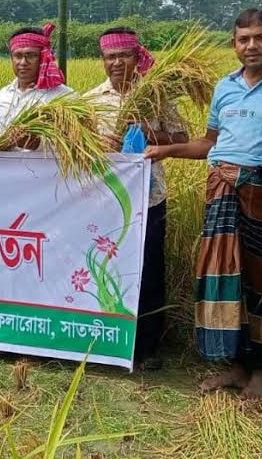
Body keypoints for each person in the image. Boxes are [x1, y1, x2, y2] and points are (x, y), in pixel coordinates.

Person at [145, 10, 262, 396]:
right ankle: (235, 367)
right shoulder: (225, 88)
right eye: (244, 39)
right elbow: (210, 143)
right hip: (222, 192)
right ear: (234, 44)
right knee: (225, 279)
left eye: (259, 38)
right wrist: (167, 149)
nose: (252, 46)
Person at [86, 27, 188, 368]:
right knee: (105, 268)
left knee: (148, 270)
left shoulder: (155, 96)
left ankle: (146, 348)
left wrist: (147, 131)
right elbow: (80, 146)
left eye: (123, 56)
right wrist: (99, 146)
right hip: (105, 201)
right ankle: (105, 339)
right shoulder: (91, 100)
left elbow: (181, 136)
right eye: (110, 57)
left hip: (150, 199)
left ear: (137, 57)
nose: (116, 63)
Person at [0, 24, 74, 149]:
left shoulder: (63, 96)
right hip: (4, 167)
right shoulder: (5, 94)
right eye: (17, 56)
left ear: (43, 57)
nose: (23, 62)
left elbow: (74, 143)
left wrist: (37, 144)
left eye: (30, 55)